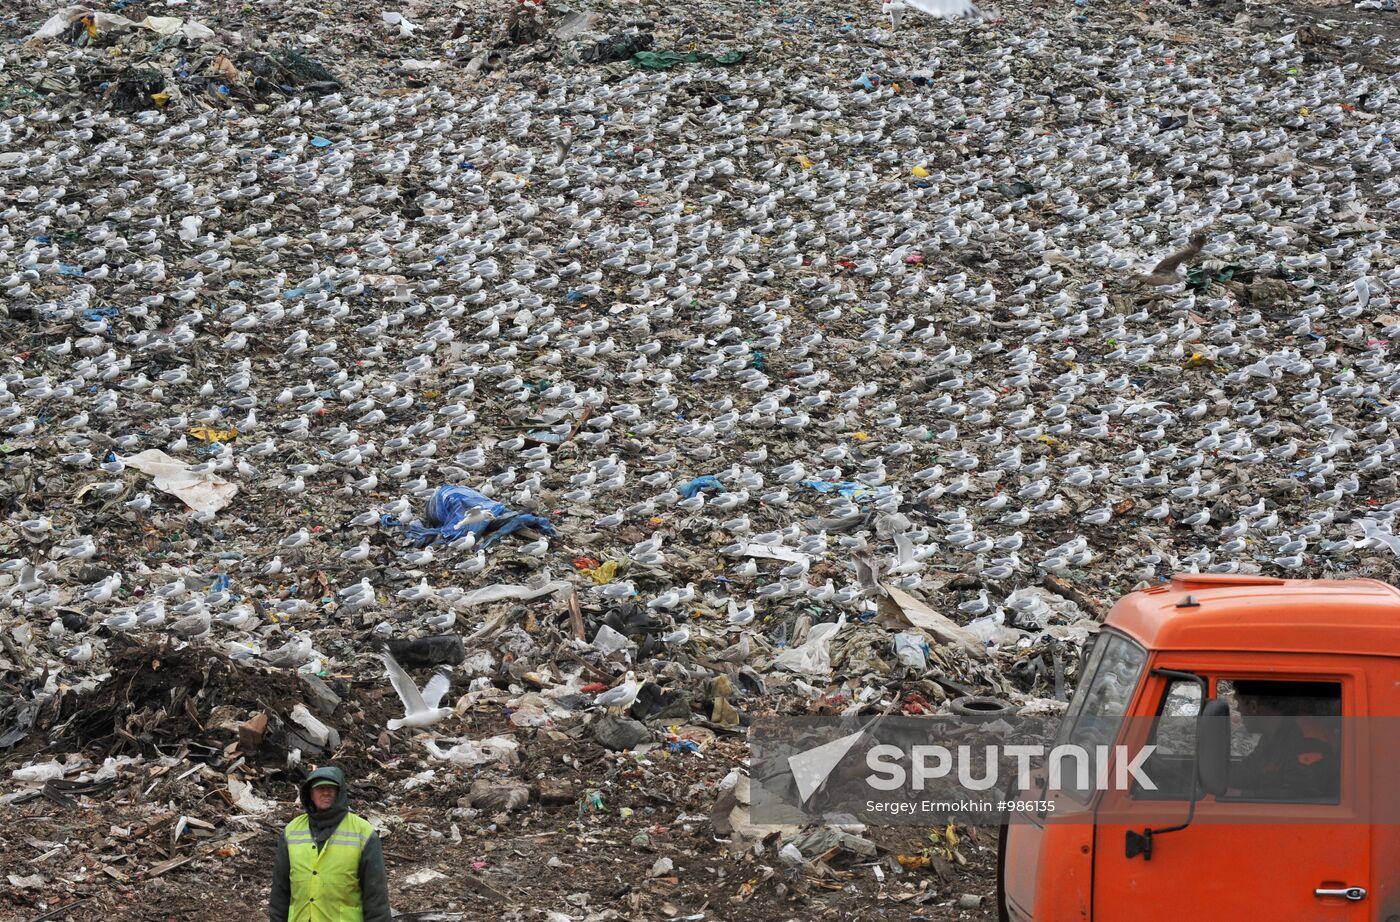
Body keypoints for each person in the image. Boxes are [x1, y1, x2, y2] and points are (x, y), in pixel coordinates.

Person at [268, 766, 392, 922]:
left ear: (340, 793)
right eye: (320, 788)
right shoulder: (291, 831)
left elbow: (376, 895)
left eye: (331, 788)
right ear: (310, 794)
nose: (326, 793)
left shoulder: (363, 832)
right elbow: (280, 891)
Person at [1230, 681, 1340, 803]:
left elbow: (1300, 797)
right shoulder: (1272, 738)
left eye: (1238, 703)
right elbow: (1248, 772)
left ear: (1253, 706)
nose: (1237, 709)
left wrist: (1240, 794)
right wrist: (1218, 780)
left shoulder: (1306, 739)